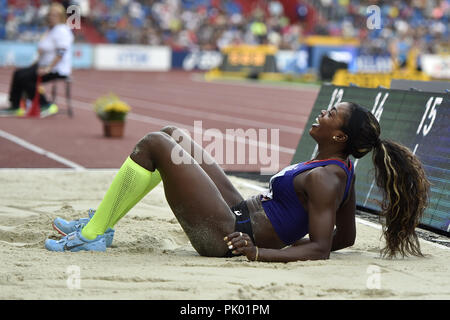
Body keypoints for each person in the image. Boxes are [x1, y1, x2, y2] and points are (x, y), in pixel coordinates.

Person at [45, 102, 430, 261]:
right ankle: (103, 224)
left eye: (331, 114)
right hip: (240, 212)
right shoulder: (340, 168)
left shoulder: (329, 177)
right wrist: (287, 229)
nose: (323, 113)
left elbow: (323, 248)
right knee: (173, 135)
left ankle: (94, 233)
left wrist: (262, 252)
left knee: (154, 145)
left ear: (340, 137)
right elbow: (345, 238)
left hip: (229, 234)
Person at [0, 2, 73, 117]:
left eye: (54, 15)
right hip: (42, 65)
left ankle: (46, 104)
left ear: (61, 16)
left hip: (56, 69)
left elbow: (61, 52)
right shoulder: (51, 30)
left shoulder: (62, 30)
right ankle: (15, 105)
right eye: (50, 15)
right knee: (18, 73)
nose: (51, 17)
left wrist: (48, 68)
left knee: (25, 78)